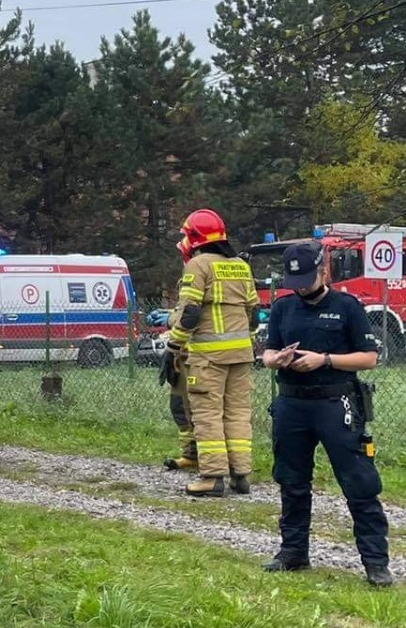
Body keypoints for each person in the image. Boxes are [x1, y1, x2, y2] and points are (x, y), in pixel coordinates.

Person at [261, 240, 391, 586]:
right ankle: (293, 552)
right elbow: (268, 351)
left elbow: (369, 358)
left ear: (322, 270)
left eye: (306, 278)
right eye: (295, 281)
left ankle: (376, 563)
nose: (301, 286)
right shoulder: (282, 308)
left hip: (336, 404)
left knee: (359, 482)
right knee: (291, 480)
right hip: (291, 403)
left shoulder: (347, 307)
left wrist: (325, 360)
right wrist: (275, 359)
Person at [168, 209, 256, 497]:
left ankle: (212, 477)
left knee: (207, 415)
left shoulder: (198, 264)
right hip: (242, 355)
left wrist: (174, 344)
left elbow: (190, 312)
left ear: (194, 237)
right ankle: (240, 476)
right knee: (238, 413)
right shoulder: (241, 265)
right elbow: (252, 313)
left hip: (208, 358)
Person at [160, 238, 198, 473]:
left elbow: (188, 315)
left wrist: (169, 320)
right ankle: (190, 454)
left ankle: (201, 456)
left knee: (191, 408)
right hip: (183, 354)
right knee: (180, 406)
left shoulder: (196, 276)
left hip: (193, 356)